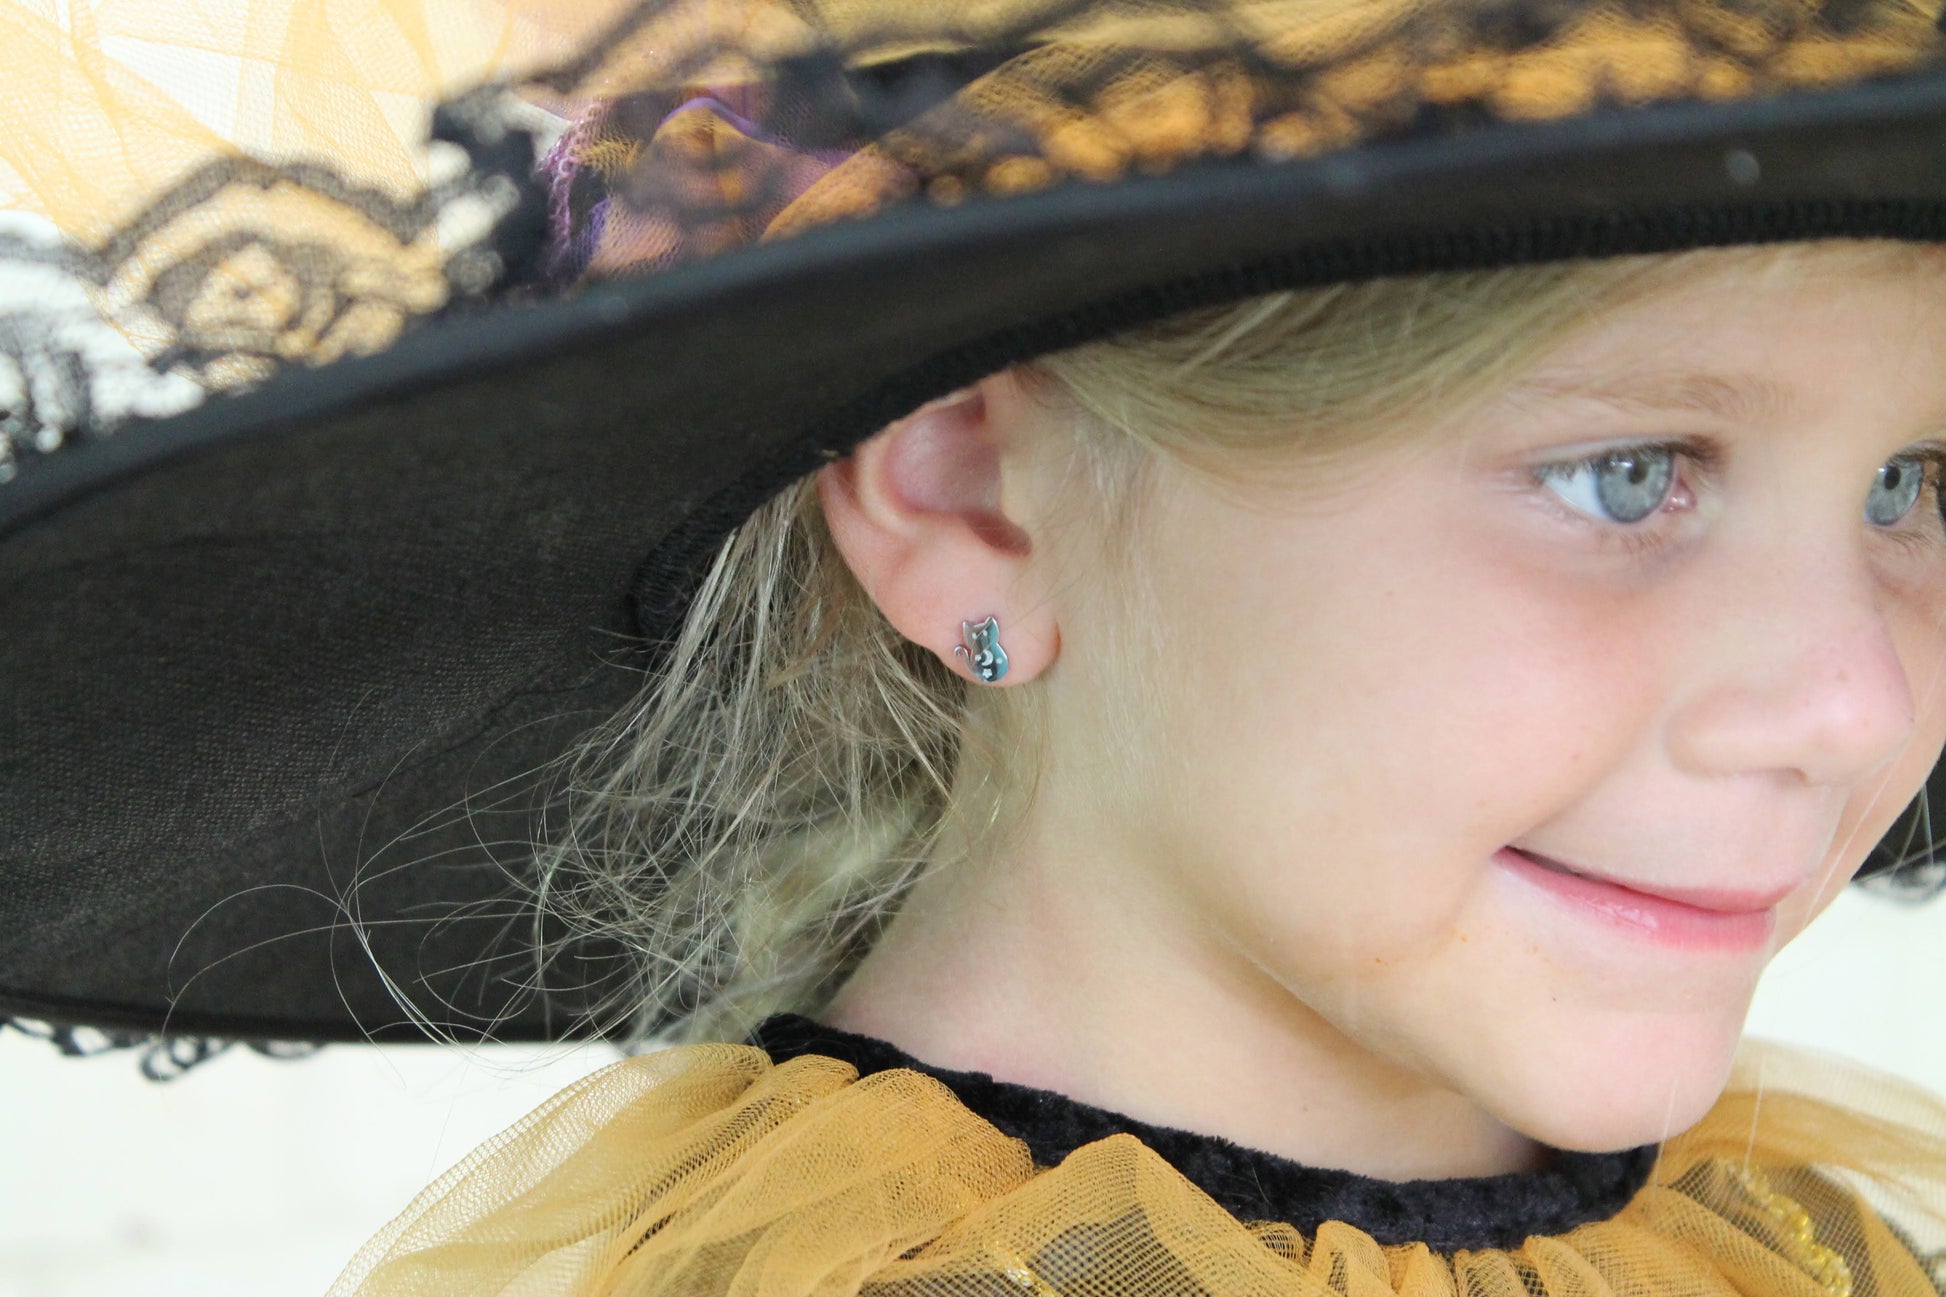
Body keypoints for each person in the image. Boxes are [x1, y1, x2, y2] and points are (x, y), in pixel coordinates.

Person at [3, 0, 1946, 1293]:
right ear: (970, 498)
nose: (1852, 701)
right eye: (1624, 476)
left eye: (1910, 483)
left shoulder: (1802, 1248)